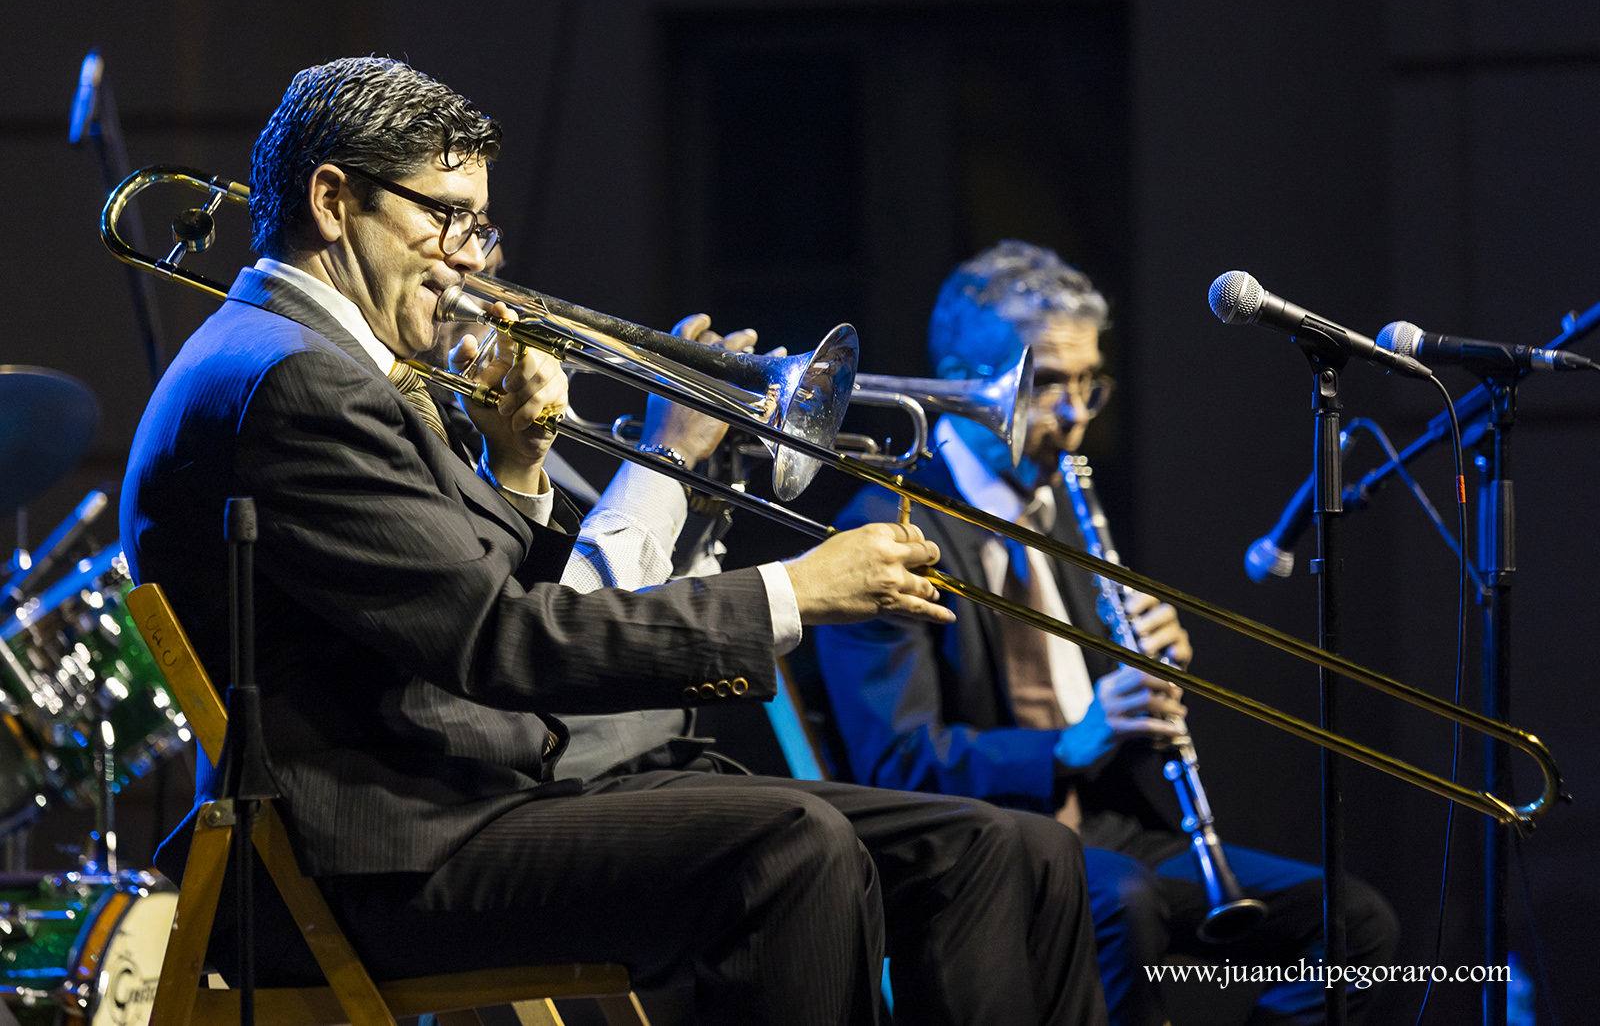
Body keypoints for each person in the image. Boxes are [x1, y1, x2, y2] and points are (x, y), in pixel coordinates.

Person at [122, 58, 1108, 1025]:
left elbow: (500, 599)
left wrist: (526, 467)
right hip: (380, 853)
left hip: (464, 798)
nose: (469, 254)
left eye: (478, 221)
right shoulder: (296, 379)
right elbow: (502, 641)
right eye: (445, 215)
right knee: (790, 846)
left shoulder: (334, 364)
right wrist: (791, 593)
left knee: (1013, 853)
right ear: (333, 201)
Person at [814, 241, 1400, 1026]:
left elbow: (1101, 716)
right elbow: (899, 761)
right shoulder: (887, 530)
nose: (1076, 420)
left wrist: (1144, 673)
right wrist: (1067, 743)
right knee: (1123, 901)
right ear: (962, 382)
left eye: (1090, 386)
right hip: (983, 843)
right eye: (1049, 384)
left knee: (1357, 924)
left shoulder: (1064, 506)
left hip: (1107, 828)